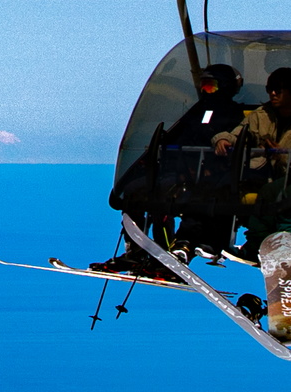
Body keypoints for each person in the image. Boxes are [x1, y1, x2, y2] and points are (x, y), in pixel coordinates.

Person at [92, 64, 246, 274]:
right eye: (203, 86)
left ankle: (165, 253)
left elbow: (231, 148)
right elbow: (176, 135)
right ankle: (135, 251)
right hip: (177, 172)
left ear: (226, 87)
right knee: (135, 191)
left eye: (211, 87)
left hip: (207, 178)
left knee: (165, 200)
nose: (205, 91)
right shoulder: (195, 111)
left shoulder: (233, 114)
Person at [212, 66, 291, 260]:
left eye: (278, 89)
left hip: (286, 181)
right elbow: (238, 134)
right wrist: (222, 139)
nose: (272, 93)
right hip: (259, 178)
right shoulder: (259, 116)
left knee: (289, 199)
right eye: (270, 88)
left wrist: (281, 155)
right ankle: (252, 246)